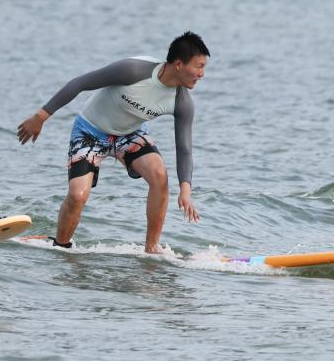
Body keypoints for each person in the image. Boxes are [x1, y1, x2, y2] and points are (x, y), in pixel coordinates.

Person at [16, 32, 209, 253]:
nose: (202, 74)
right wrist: (40, 117)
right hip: (90, 131)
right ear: (178, 64)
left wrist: (186, 190)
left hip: (129, 135)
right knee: (78, 195)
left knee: (159, 176)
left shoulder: (182, 102)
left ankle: (152, 249)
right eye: (198, 66)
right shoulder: (134, 71)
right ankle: (61, 246)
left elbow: (184, 149)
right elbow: (80, 83)